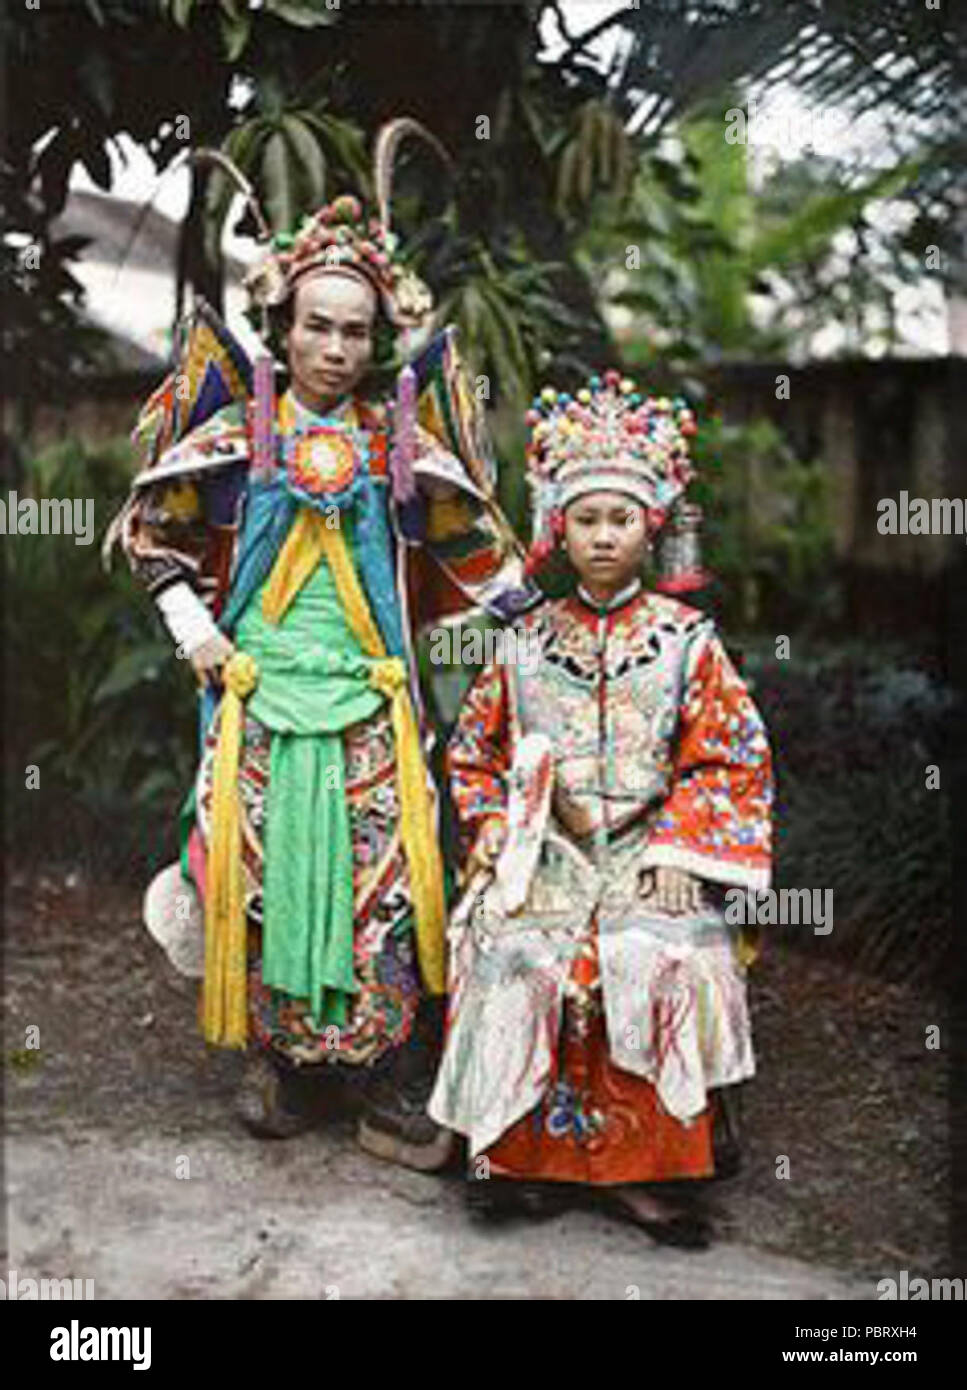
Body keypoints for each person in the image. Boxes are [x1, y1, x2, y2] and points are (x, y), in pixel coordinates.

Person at [107, 178, 522, 1168]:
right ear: (280, 327)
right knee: (259, 876)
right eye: (317, 327)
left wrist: (539, 623)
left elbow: (471, 542)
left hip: (374, 698)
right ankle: (282, 1064)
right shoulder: (229, 437)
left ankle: (381, 1075)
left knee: (381, 879)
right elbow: (151, 532)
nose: (335, 349)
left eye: (354, 332)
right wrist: (191, 628)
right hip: (257, 694)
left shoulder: (397, 441)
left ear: (378, 340)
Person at [428, 370, 774, 1245]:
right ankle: (521, 1162)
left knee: (658, 953)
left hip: (650, 849)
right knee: (515, 951)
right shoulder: (521, 640)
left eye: (621, 518)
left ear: (650, 526)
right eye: (586, 519)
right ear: (559, 527)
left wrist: (679, 854)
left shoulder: (687, 641)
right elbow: (471, 753)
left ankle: (649, 1174)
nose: (604, 536)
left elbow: (730, 757)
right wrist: (497, 832)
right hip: (544, 847)